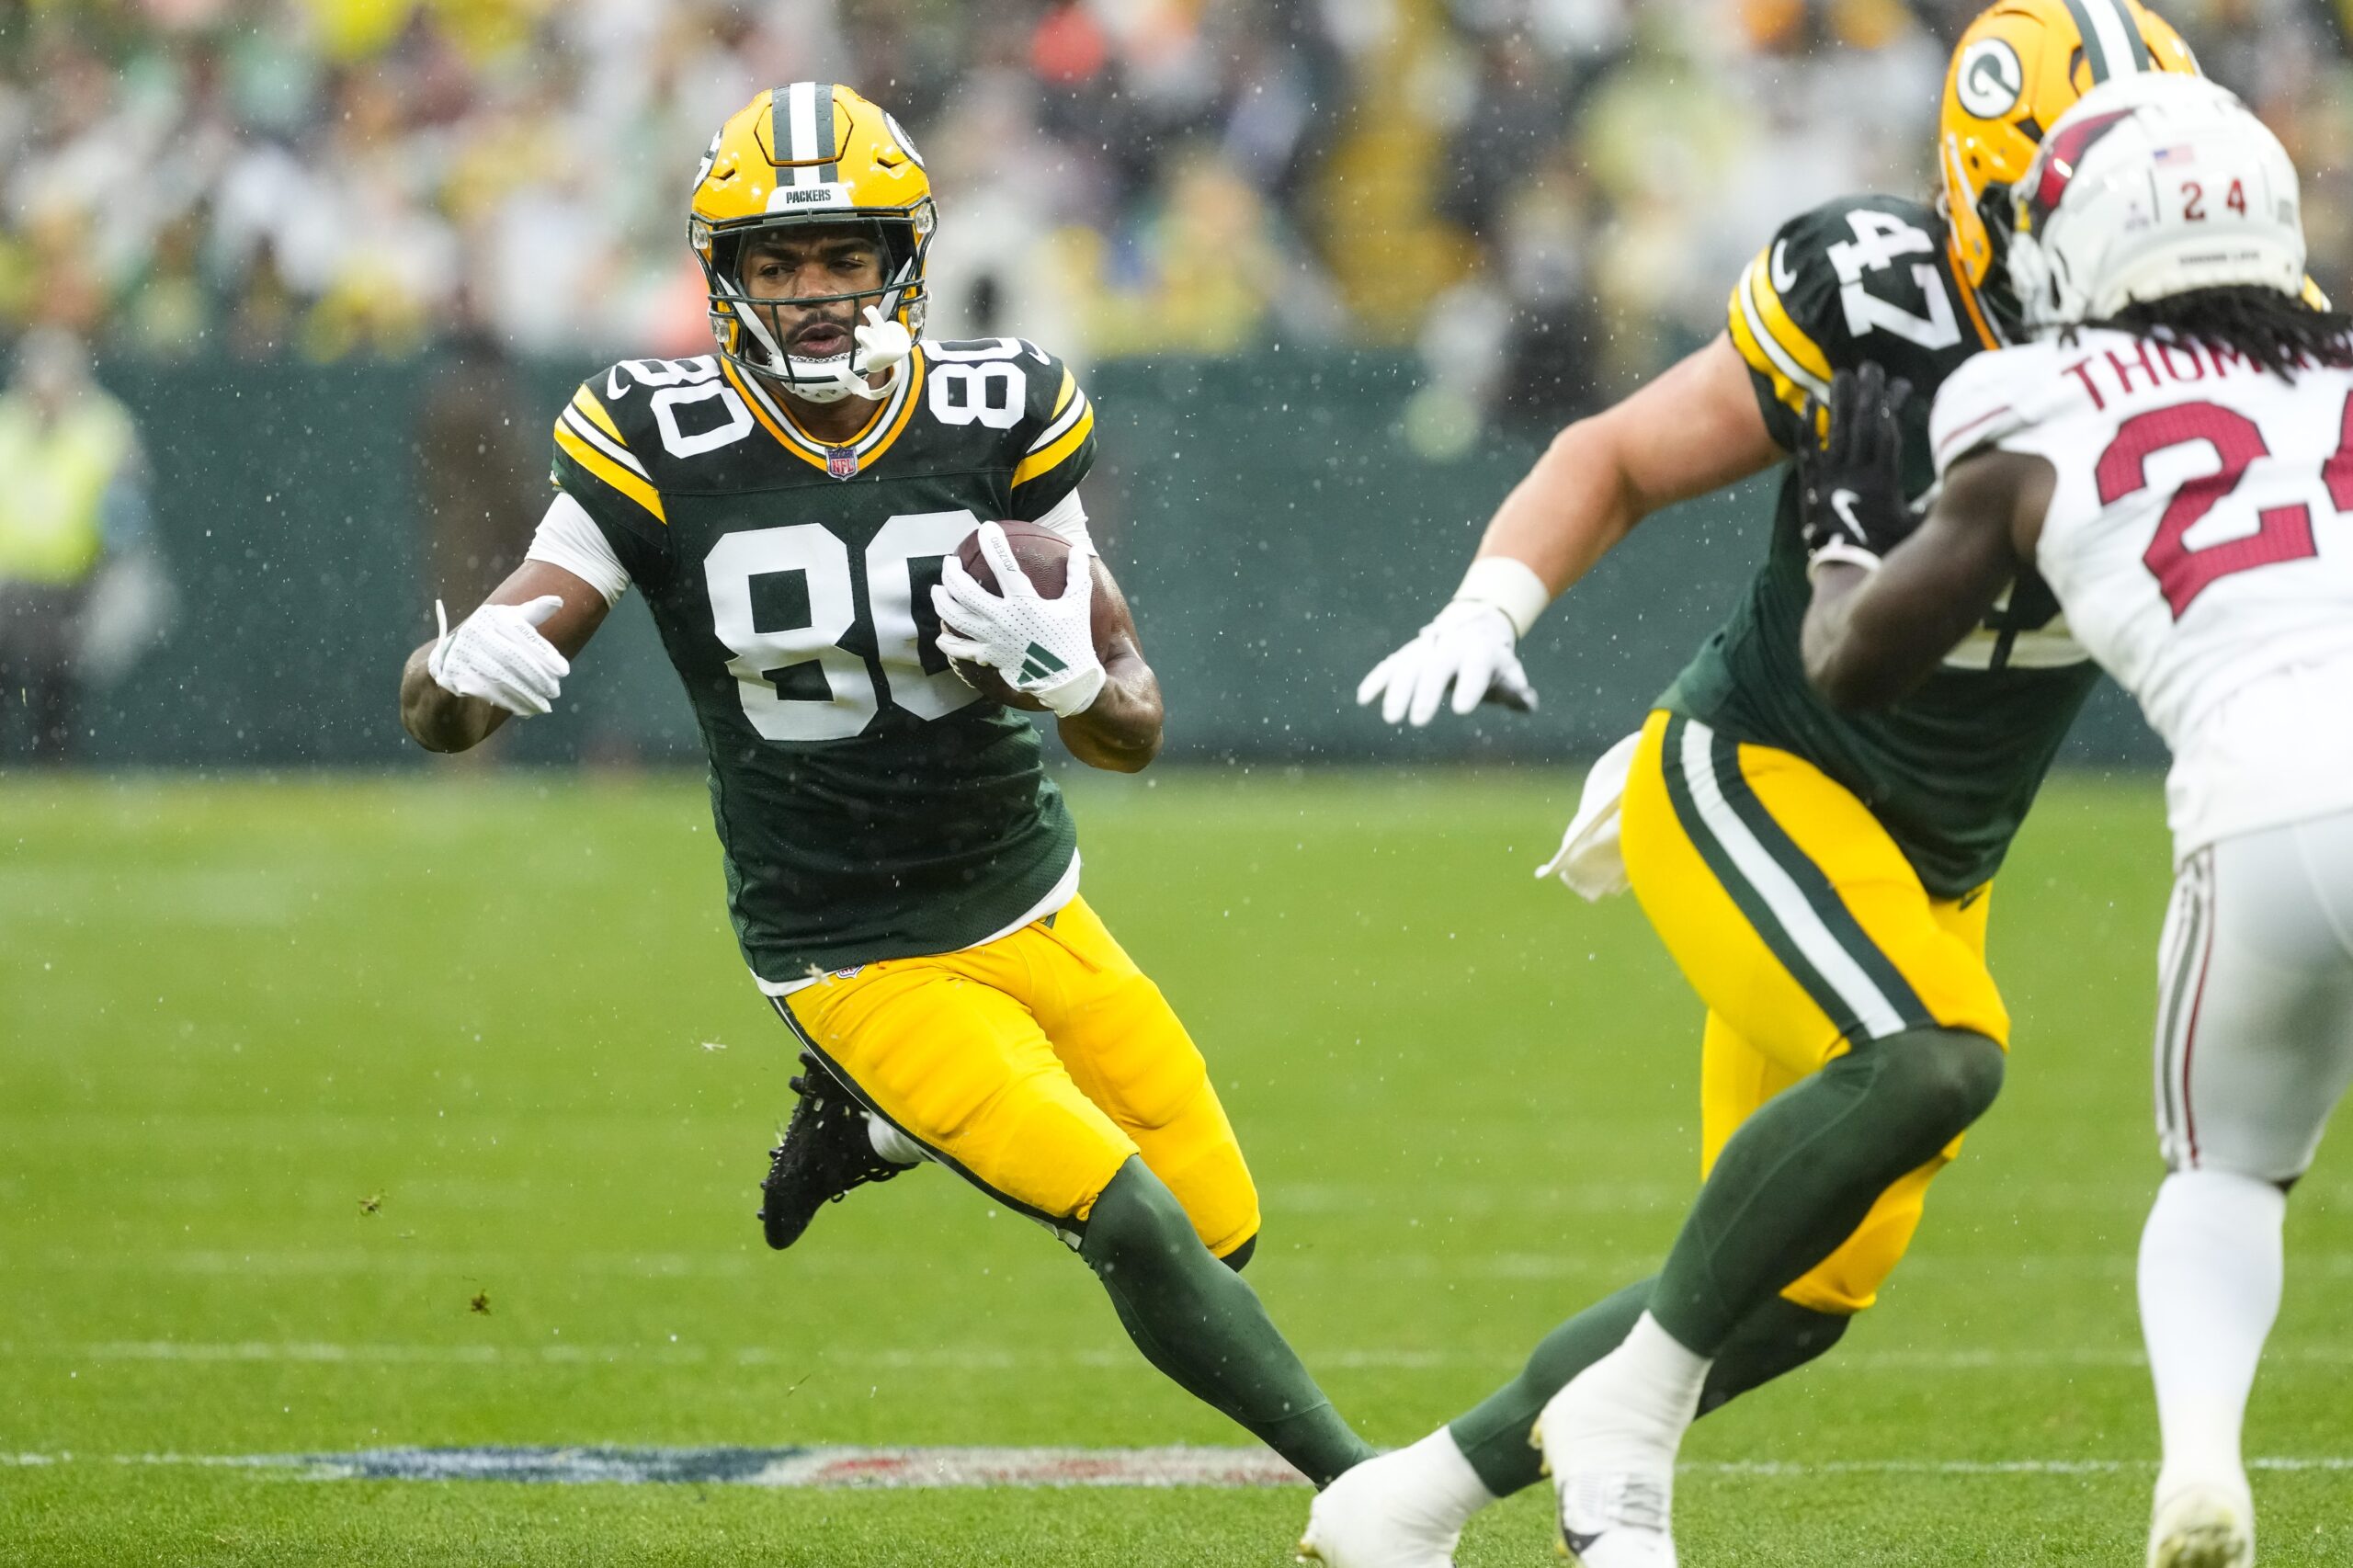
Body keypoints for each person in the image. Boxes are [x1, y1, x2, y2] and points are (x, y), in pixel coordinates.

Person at [1307, 5, 2198, 1564]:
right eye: (2089, 196)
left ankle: (1410, 1499)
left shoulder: (2225, 344)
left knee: (1796, 1283)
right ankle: (1623, 1450)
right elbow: (1626, 454)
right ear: (1987, 201)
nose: (2132, 235)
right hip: (1756, 778)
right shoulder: (1883, 303)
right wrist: (1489, 604)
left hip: (1928, 865)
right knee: (1934, 1059)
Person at [396, 83, 1372, 1487]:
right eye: (776, 263)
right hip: (842, 938)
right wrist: (455, 674)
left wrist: (1077, 684)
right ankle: (1369, 1485)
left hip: (1027, 891)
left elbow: (1134, 723)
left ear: (900, 259)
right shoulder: (652, 434)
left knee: (1224, 1227)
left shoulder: (1000, 408)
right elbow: (449, 709)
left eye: (841, 256)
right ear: (724, 276)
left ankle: (869, 1119)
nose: (810, 293)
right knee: (1139, 1225)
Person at [1798, 73, 2353, 1568]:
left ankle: (2203, 1470)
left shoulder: (2023, 399)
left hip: (2270, 803)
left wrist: (1844, 532)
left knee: (2229, 1174)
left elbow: (1858, 667)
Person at [0, 327, 153, 761]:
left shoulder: (104, 429)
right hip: (8, 583)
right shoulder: (6, 425)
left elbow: (125, 506)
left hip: (72, 582)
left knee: (56, 685)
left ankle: (55, 769)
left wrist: (112, 563)